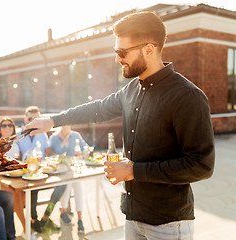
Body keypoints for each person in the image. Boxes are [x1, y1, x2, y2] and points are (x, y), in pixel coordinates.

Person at [26, 12, 215, 240]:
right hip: (133, 217)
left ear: (149, 48)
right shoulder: (131, 89)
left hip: (168, 224)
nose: (117, 59)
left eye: (122, 52)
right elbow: (98, 109)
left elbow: (201, 165)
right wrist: (53, 120)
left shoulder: (187, 96)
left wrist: (134, 170)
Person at [16, 106, 66, 233]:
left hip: (42, 170)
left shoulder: (42, 134)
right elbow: (16, 157)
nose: (33, 121)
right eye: (30, 118)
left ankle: (46, 217)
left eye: (36, 119)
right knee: (33, 189)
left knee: (62, 185)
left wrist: (58, 157)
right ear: (25, 119)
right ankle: (34, 220)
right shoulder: (17, 134)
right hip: (27, 173)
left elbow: (47, 150)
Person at [49, 125, 87, 234]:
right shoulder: (54, 138)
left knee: (78, 187)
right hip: (61, 170)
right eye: (64, 124)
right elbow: (51, 153)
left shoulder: (75, 135)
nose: (67, 127)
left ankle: (80, 219)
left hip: (74, 168)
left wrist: (83, 151)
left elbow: (85, 147)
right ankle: (63, 211)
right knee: (67, 186)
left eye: (68, 124)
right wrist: (63, 146)